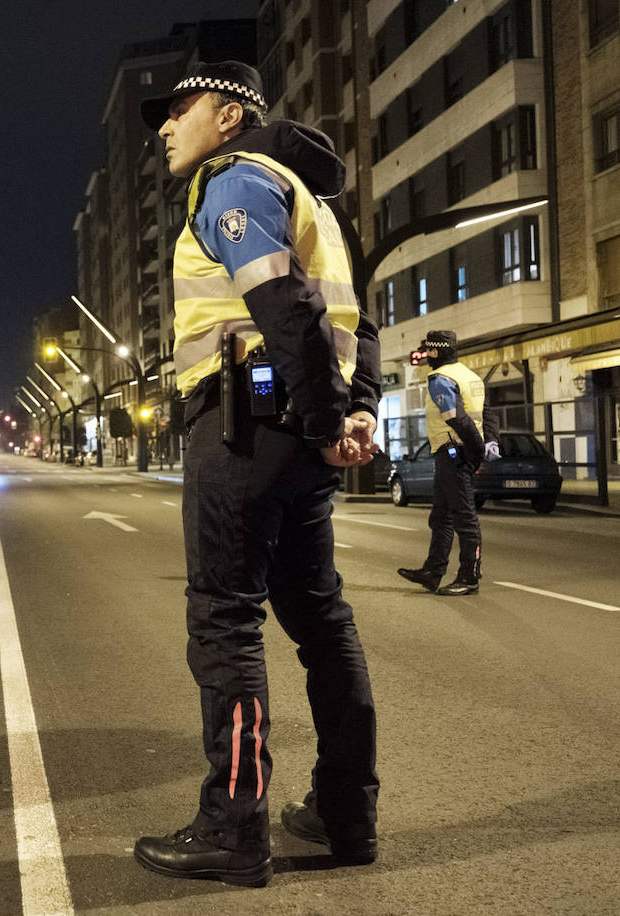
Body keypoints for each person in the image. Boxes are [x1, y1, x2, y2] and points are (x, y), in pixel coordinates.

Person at [133, 62, 382, 887]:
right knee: (320, 620)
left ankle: (233, 826)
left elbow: (285, 309)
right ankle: (346, 815)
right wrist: (354, 414)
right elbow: (358, 322)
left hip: (243, 424)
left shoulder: (233, 184)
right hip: (298, 430)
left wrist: (318, 417)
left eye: (179, 109)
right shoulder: (311, 198)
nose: (165, 128)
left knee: (226, 621)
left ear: (230, 115)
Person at [397, 330, 489, 596]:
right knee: (441, 515)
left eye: (427, 351)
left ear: (435, 352)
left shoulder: (441, 378)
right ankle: (432, 571)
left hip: (453, 452)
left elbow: (457, 418)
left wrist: (475, 451)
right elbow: (487, 415)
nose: (425, 356)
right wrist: (480, 447)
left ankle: (468, 576)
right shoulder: (470, 376)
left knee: (464, 517)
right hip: (455, 451)